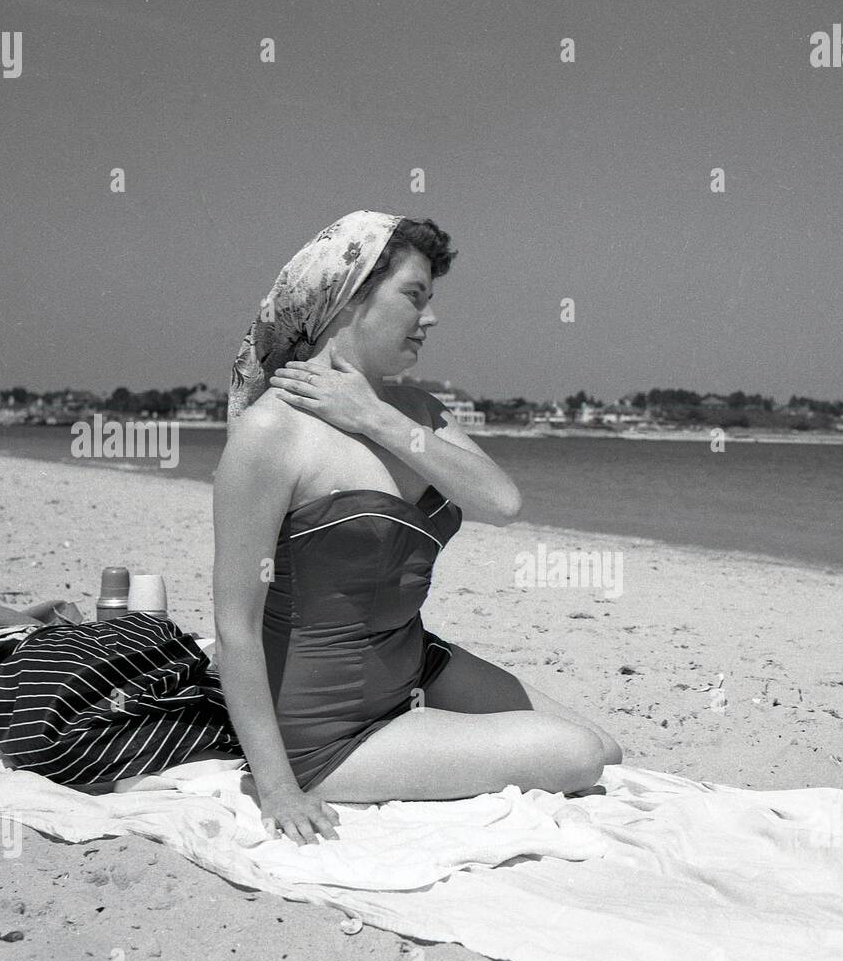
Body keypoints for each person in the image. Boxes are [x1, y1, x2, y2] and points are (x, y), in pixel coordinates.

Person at [213, 210, 622, 843]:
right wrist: (278, 788)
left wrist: (375, 418)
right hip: (326, 729)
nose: (430, 318)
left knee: (608, 748)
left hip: (412, 663)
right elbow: (235, 626)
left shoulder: (416, 411)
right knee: (577, 755)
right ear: (350, 298)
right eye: (414, 296)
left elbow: (501, 501)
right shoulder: (271, 433)